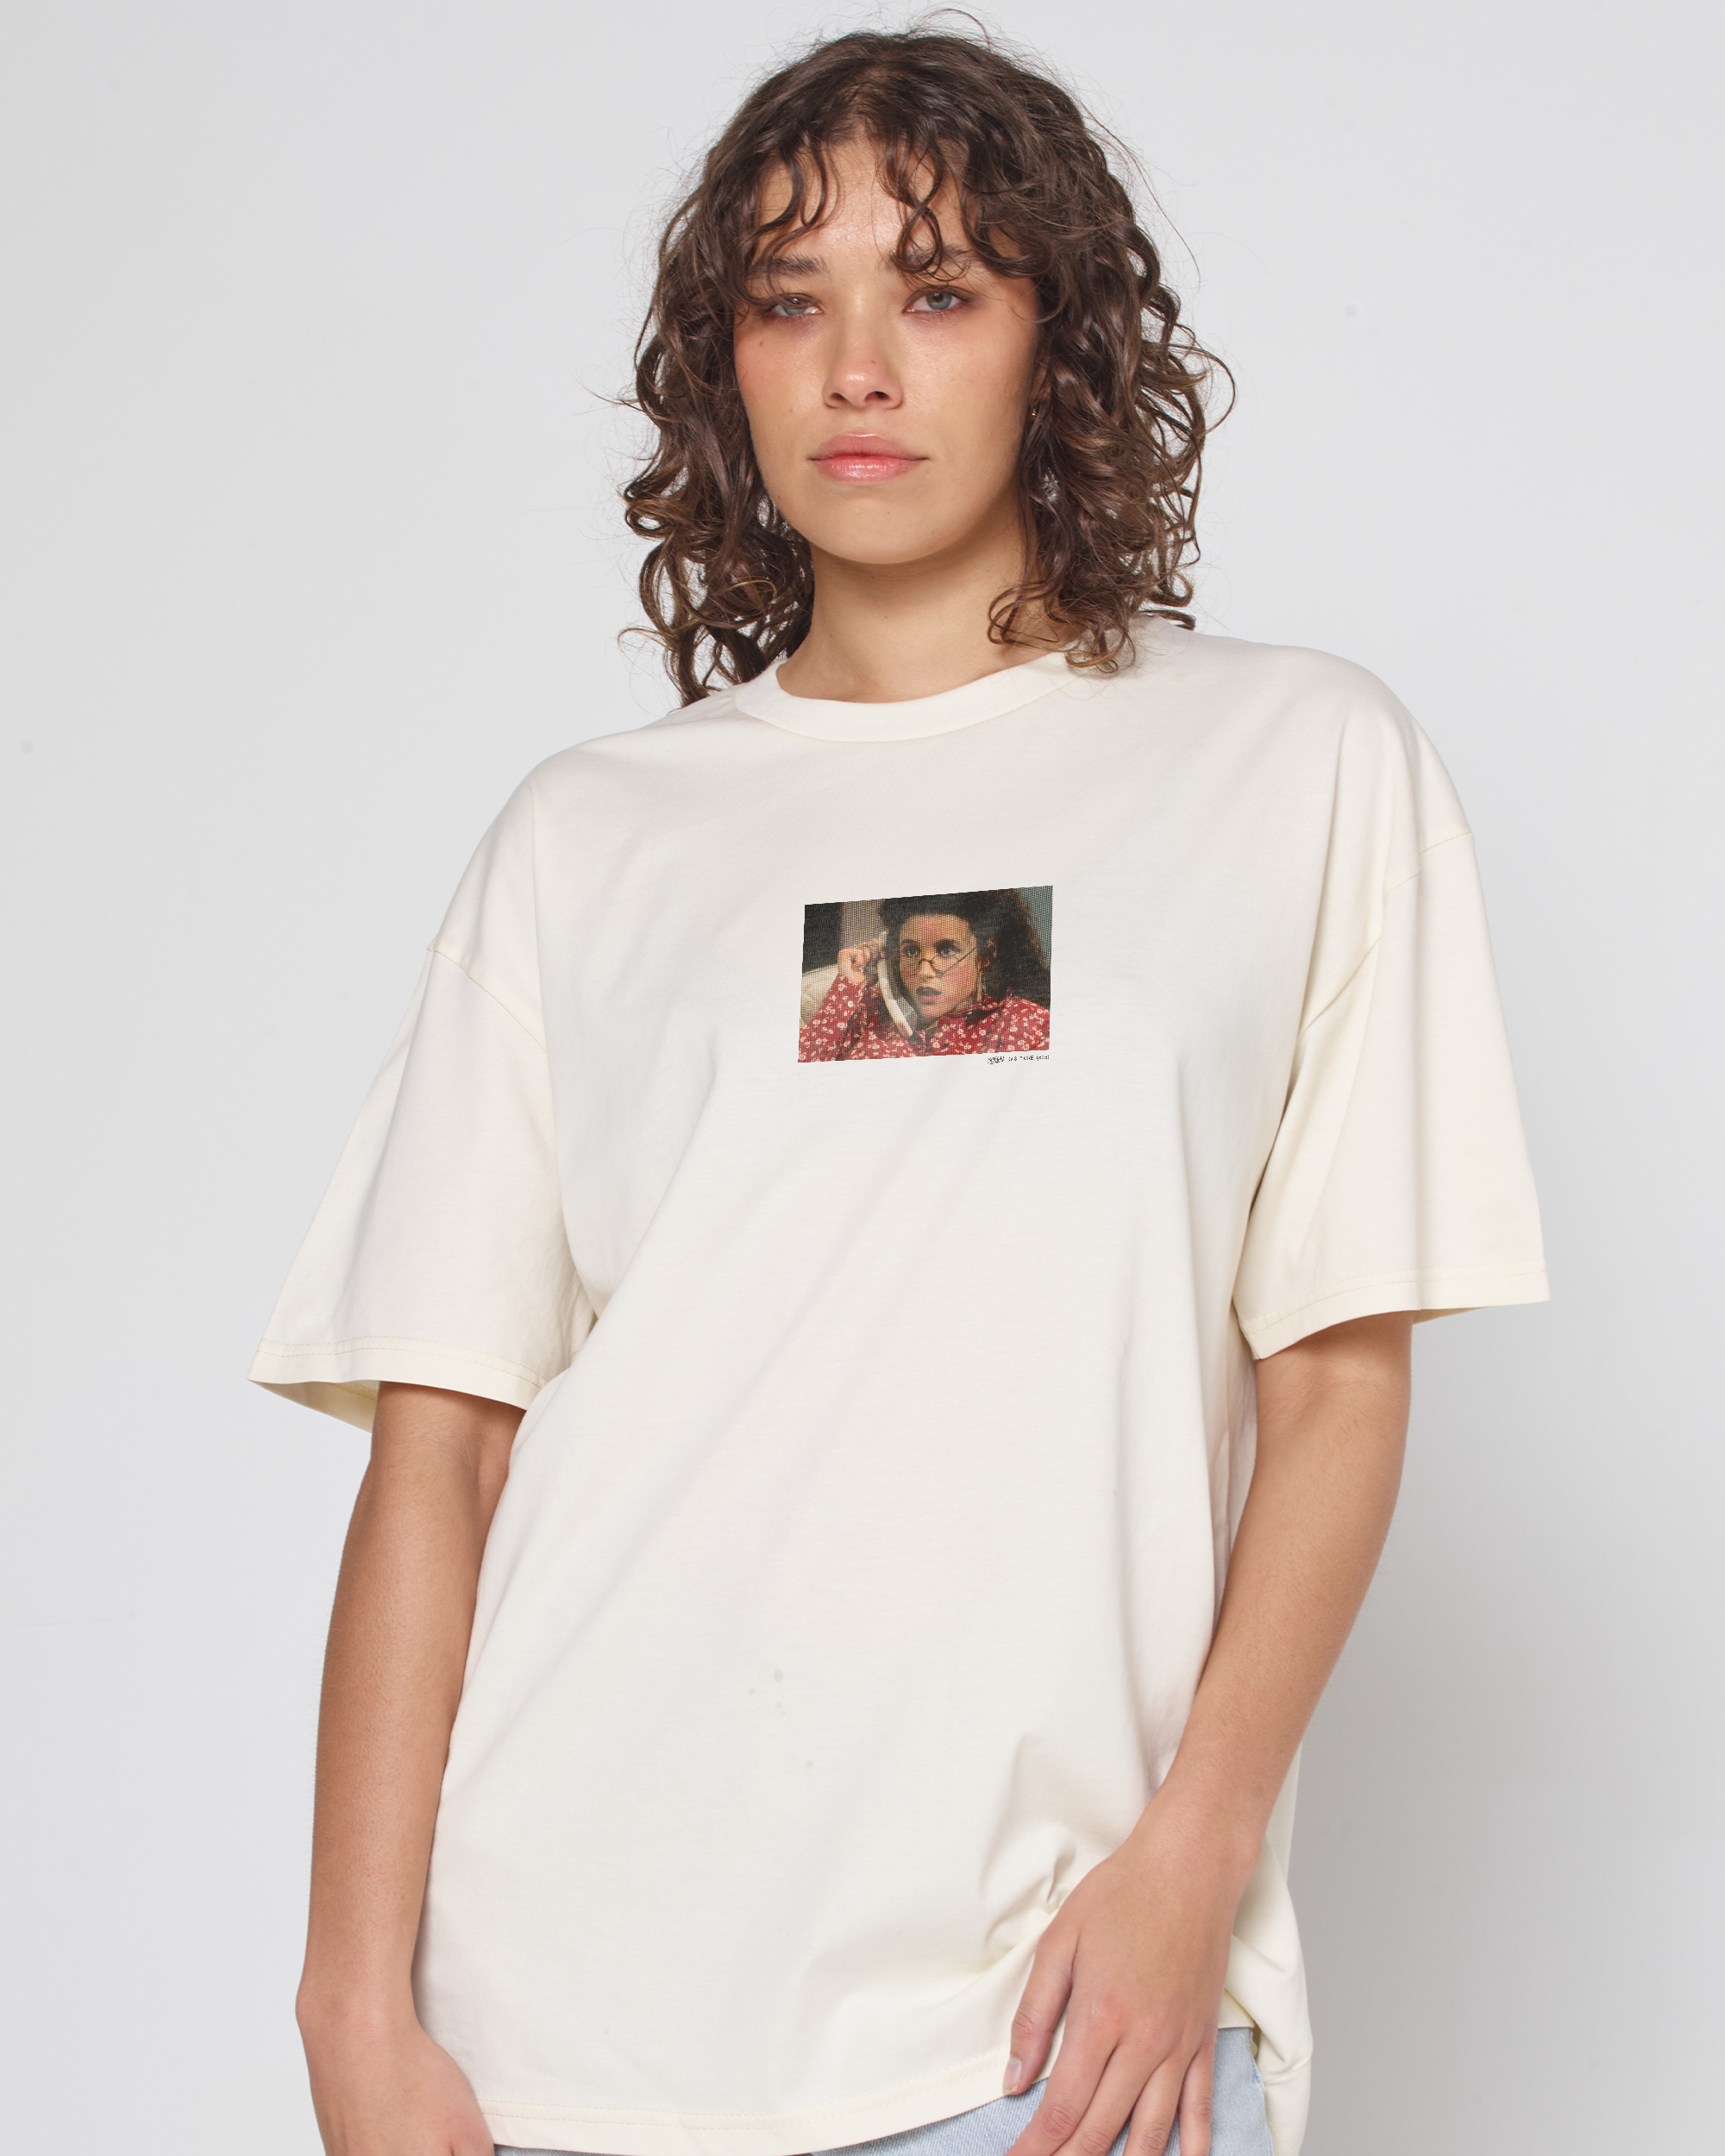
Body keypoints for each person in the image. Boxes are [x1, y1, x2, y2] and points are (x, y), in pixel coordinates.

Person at [252, 27, 1547, 2156]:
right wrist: (348, 2010)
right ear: (725, 368)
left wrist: (1194, 1853)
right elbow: (440, 1450)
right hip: (559, 2032)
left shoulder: (1295, 765)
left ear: (1058, 342)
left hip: (1050, 2030)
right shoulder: (586, 841)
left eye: (935, 290)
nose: (856, 365)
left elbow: (1335, 1376)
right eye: (790, 302)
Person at [800, 890, 1051, 1060]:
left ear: (985, 955)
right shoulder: (866, 1009)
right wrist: (846, 989)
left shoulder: (1031, 1027)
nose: (923, 972)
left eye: (947, 950)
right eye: (910, 950)